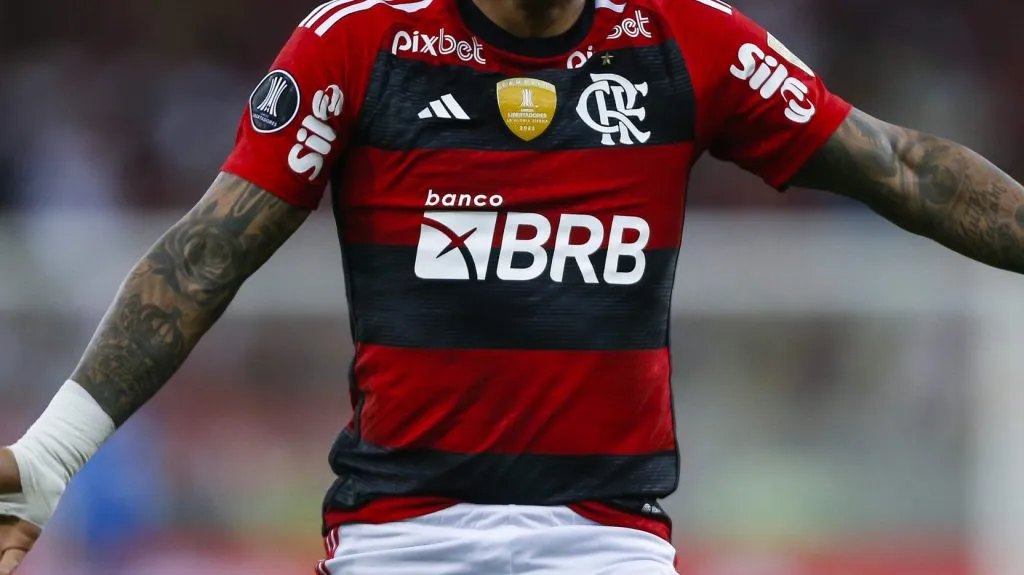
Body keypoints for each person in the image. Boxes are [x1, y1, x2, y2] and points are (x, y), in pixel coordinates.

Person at [1, 0, 1022, 573]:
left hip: (604, 539)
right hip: (398, 538)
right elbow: (202, 257)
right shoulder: (359, 45)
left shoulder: (687, 43)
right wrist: (49, 456)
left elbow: (907, 169)